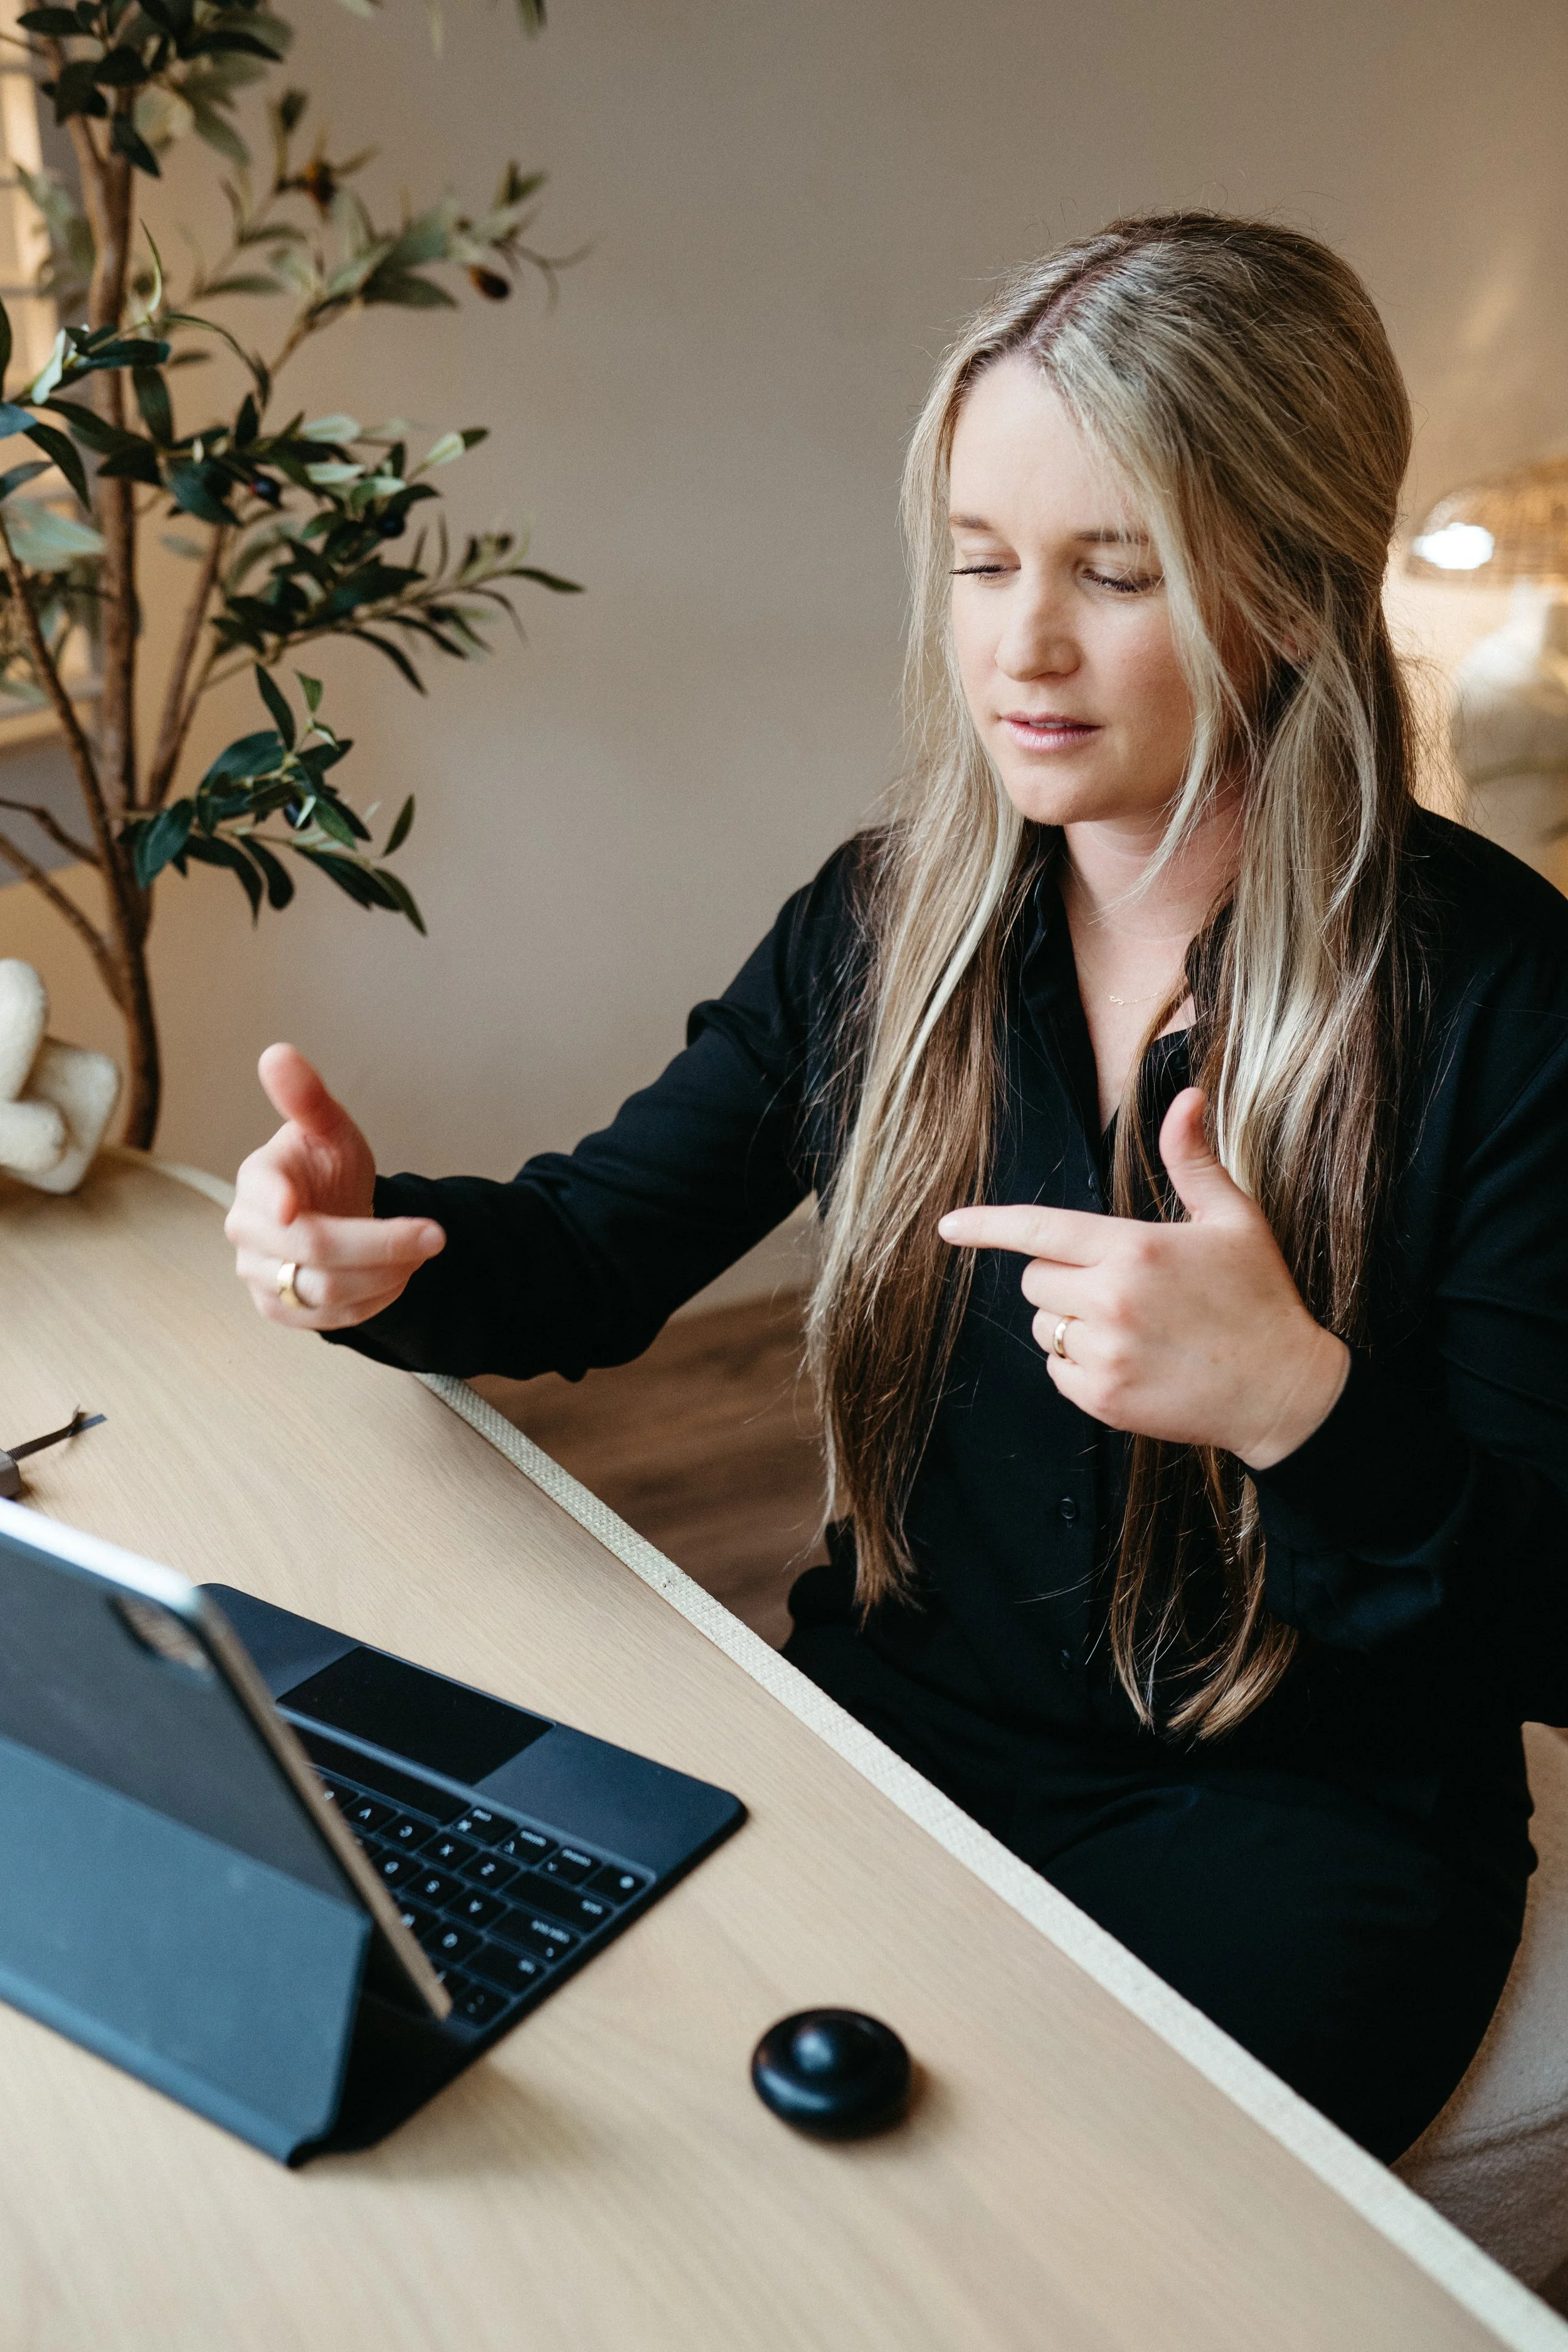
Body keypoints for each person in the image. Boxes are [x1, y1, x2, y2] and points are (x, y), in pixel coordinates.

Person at [224, 213, 1568, 2163]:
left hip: (1303, 1828)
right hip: (900, 1735)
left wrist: (1297, 1404)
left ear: (1288, 589)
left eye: (1113, 572)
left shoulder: (1509, 1004)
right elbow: (593, 1245)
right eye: (979, 561)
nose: (1020, 647)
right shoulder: (884, 921)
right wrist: (384, 1250)